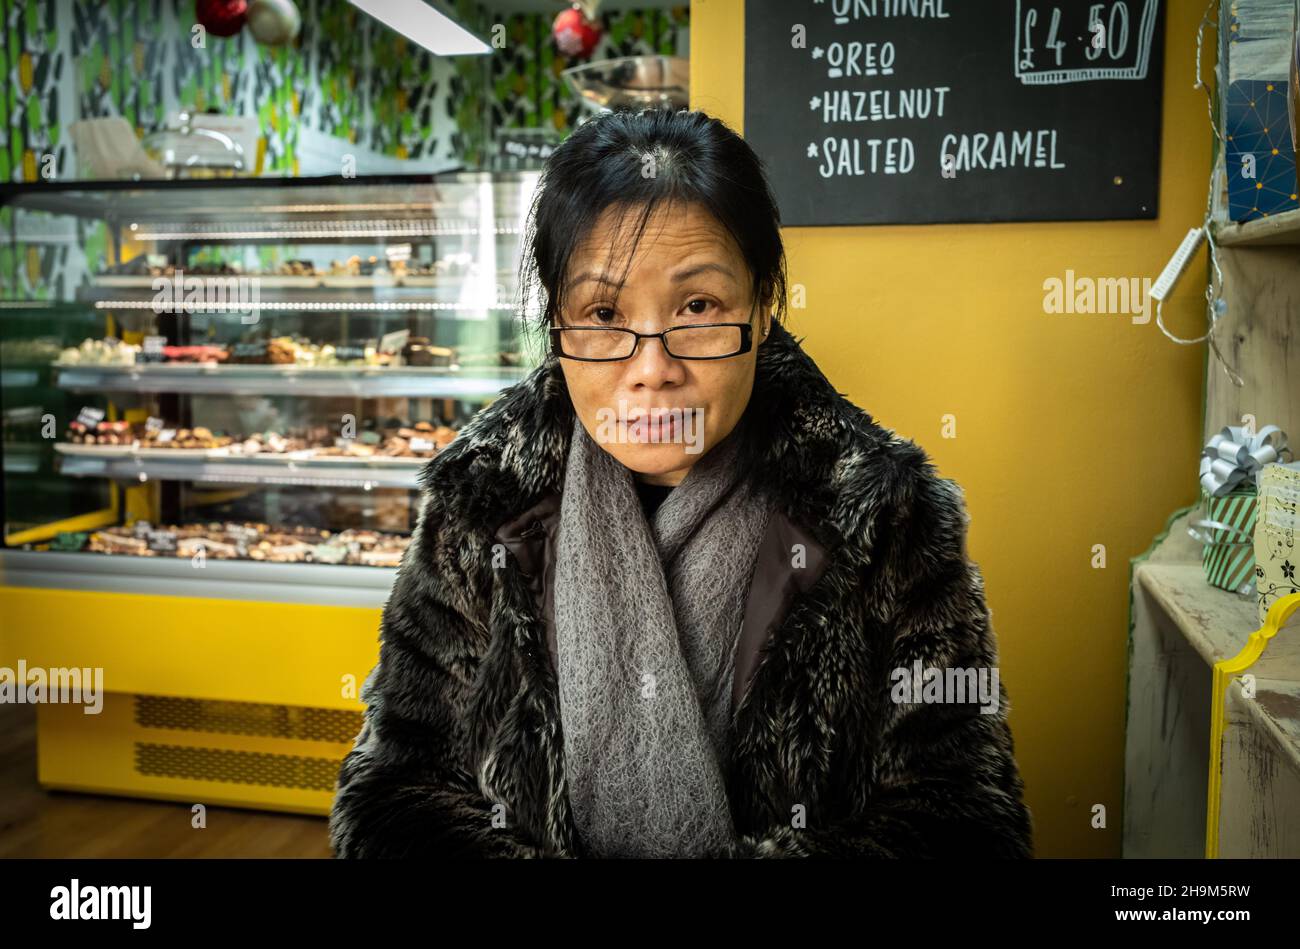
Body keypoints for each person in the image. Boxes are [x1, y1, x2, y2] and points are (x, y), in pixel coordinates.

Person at [328, 108, 1034, 858]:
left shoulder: (885, 515)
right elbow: (393, 791)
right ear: (556, 325)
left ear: (762, 308)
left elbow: (965, 819)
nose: (652, 367)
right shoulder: (483, 501)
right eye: (602, 312)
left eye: (698, 306)